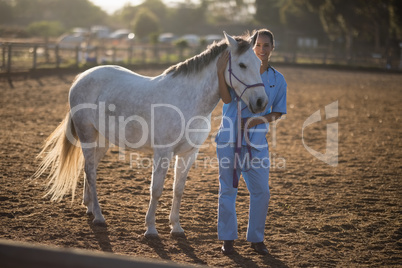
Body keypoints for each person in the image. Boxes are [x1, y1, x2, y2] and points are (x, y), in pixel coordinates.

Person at [215, 29, 287, 255]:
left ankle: (256, 239)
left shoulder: (278, 79)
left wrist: (256, 121)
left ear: (272, 48)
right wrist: (219, 72)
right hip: (229, 139)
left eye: (267, 46)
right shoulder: (242, 69)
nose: (262, 50)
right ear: (252, 47)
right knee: (228, 190)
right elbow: (226, 100)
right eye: (258, 45)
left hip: (257, 144)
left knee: (262, 192)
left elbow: (278, 112)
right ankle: (227, 239)